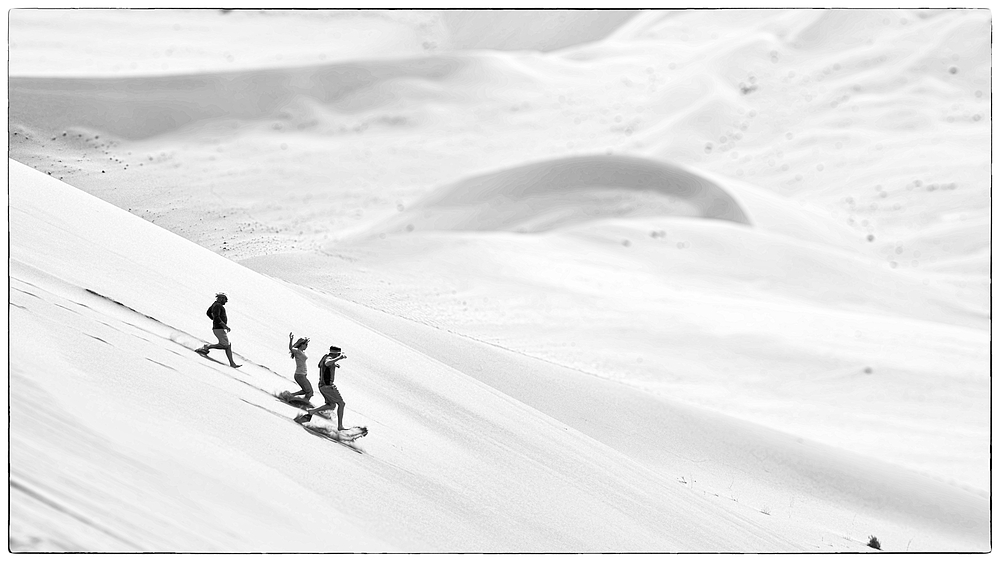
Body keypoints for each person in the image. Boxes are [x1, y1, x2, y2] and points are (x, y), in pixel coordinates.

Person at [299, 346, 348, 430]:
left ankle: (312, 411)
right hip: (328, 386)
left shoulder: (325, 357)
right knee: (341, 404)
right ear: (335, 353)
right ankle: (340, 426)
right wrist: (339, 358)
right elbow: (327, 363)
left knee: (331, 405)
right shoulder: (329, 358)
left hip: (322, 386)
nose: (338, 355)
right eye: (338, 354)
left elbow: (320, 365)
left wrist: (334, 365)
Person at [196, 293, 241, 368]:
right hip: (219, 328)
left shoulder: (215, 304)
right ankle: (207, 346)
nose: (226, 301)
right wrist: (223, 325)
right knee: (225, 345)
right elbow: (216, 316)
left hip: (218, 328)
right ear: (221, 298)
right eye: (225, 299)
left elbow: (208, 313)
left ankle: (232, 363)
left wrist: (215, 320)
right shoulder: (217, 305)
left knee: (228, 346)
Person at [288, 333, 312, 402]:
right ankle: (299, 401)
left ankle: (291, 395)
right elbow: (290, 348)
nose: (306, 346)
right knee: (310, 392)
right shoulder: (297, 351)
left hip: (302, 374)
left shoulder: (302, 352)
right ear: (301, 344)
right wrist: (291, 340)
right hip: (299, 375)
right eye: (306, 344)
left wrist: (305, 340)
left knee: (305, 391)